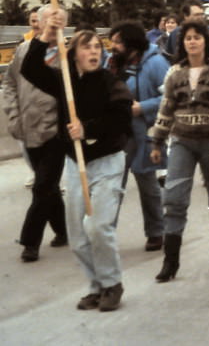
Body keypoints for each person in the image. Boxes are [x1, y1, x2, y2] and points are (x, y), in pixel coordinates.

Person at [21, 16, 133, 312]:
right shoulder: (65, 82)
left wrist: (89, 129)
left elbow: (122, 119)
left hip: (108, 161)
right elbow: (29, 69)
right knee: (77, 234)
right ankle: (96, 286)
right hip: (75, 163)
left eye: (98, 46)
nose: (94, 51)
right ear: (74, 54)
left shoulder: (112, 83)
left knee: (97, 227)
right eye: (87, 47)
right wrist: (46, 33)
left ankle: (112, 284)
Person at [149, 19, 209, 282]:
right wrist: (157, 142)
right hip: (182, 141)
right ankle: (171, 262)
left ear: (206, 41)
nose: (192, 41)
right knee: (174, 198)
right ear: (182, 43)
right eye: (187, 37)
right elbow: (166, 110)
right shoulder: (174, 73)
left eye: (196, 37)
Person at [2, 4, 68, 262]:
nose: (55, 25)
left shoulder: (66, 54)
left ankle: (30, 242)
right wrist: (14, 115)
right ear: (39, 24)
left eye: (60, 21)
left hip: (56, 133)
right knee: (47, 185)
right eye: (50, 21)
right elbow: (9, 83)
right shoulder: (24, 51)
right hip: (27, 129)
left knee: (41, 186)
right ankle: (62, 230)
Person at [107, 21, 170, 252]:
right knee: (112, 185)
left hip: (144, 134)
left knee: (147, 185)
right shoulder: (112, 63)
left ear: (131, 44)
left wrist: (142, 107)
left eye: (117, 41)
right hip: (117, 133)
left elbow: (169, 98)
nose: (112, 46)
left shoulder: (156, 64)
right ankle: (105, 234)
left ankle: (156, 233)